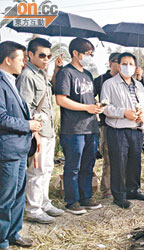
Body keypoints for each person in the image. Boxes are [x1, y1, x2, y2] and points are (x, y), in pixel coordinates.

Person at [16, 38, 65, 224]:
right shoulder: (28, 76)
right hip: (38, 131)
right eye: (42, 55)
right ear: (30, 55)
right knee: (36, 171)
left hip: (48, 129)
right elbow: (25, 107)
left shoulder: (42, 73)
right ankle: (33, 209)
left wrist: (56, 70)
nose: (46, 59)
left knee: (47, 169)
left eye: (49, 56)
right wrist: (34, 132)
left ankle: (44, 203)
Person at [55, 38, 103, 215]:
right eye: (87, 53)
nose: (90, 57)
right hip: (73, 128)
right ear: (75, 53)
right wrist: (86, 107)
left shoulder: (88, 75)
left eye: (91, 54)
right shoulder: (66, 73)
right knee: (73, 166)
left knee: (88, 165)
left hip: (91, 127)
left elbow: (88, 98)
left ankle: (86, 197)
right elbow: (61, 99)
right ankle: (72, 201)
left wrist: (96, 105)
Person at [101, 52, 144, 208]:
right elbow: (106, 107)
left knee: (134, 162)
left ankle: (133, 190)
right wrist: (124, 112)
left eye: (131, 64)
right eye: (124, 63)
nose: (127, 67)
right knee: (119, 163)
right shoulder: (109, 84)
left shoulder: (139, 85)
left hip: (136, 129)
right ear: (118, 65)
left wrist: (143, 114)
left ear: (136, 67)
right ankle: (119, 195)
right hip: (118, 130)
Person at [0, 41, 38, 249]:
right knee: (5, 197)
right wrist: (27, 124)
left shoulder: (11, 81)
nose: (24, 62)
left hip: (19, 148)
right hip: (7, 150)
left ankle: (13, 233)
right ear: (7, 60)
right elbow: (1, 117)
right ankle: (2, 240)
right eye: (21, 58)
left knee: (17, 195)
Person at [93, 52, 120, 199]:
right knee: (109, 157)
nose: (121, 65)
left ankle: (122, 186)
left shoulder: (127, 80)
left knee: (124, 158)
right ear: (110, 63)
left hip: (124, 124)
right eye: (118, 62)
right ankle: (107, 189)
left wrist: (139, 78)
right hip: (106, 124)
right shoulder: (101, 80)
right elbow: (90, 95)